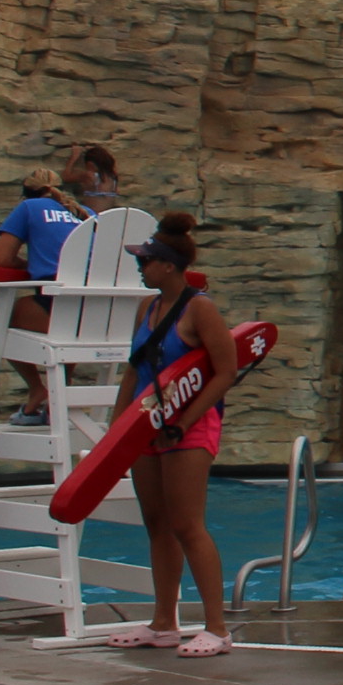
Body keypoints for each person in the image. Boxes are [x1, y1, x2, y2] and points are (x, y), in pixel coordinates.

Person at [109, 220, 243, 658]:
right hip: (146, 426)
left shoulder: (200, 309)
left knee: (187, 524)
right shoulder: (146, 308)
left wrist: (186, 422)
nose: (140, 267)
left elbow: (226, 371)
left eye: (145, 261)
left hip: (189, 426)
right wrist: (118, 429)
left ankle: (217, 628)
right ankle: (164, 622)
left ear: (169, 266)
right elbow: (134, 369)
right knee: (157, 524)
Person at [0, 150, 114, 422]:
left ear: (27, 194)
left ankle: (37, 390)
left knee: (1, 319)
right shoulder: (86, 213)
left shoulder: (29, 208)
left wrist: (30, 263)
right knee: (66, 318)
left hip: (58, 306)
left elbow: (1, 259)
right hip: (102, 314)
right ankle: (60, 395)